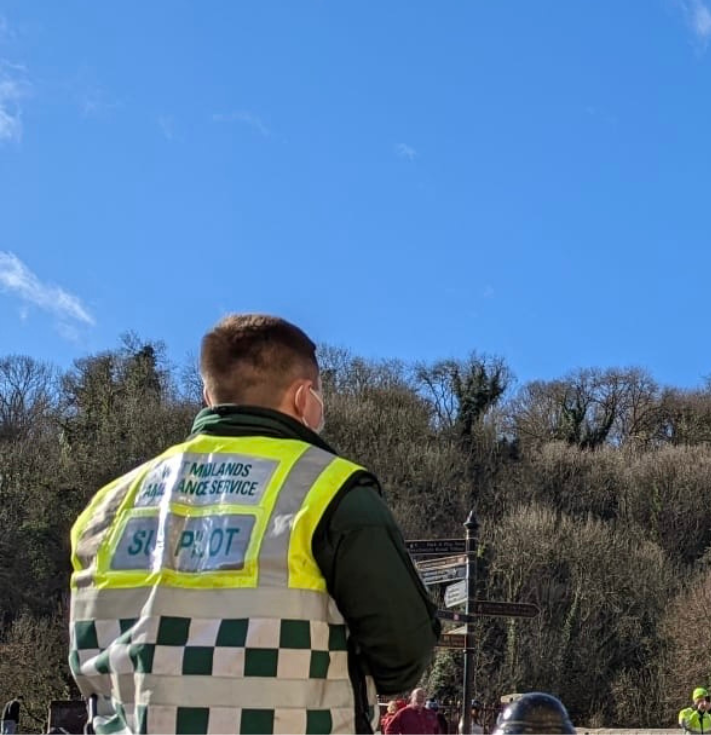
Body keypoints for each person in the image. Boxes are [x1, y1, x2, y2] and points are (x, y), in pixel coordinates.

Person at [68, 313, 441, 734]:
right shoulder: (333, 492)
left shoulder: (108, 505)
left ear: (209, 396)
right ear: (305, 398)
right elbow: (402, 656)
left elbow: (89, 655)